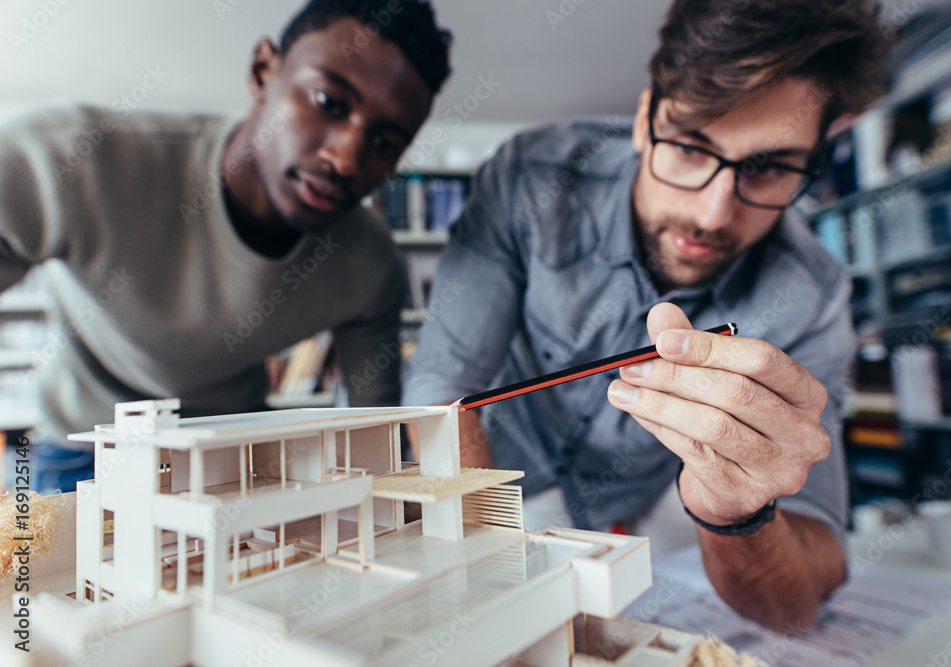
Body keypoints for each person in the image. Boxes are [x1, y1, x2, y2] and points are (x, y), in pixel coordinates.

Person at [404, 0, 887, 631]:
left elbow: (796, 602)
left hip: (645, 510)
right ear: (643, 119)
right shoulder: (530, 179)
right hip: (499, 479)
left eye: (768, 167)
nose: (714, 214)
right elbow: (446, 387)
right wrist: (483, 573)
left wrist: (736, 512)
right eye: (690, 146)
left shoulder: (813, 293)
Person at [0, 0, 451, 493]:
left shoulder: (370, 264)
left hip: (234, 464)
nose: (345, 159)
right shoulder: (71, 158)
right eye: (328, 103)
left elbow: (374, 437)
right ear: (263, 70)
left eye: (385, 143)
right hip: (81, 452)